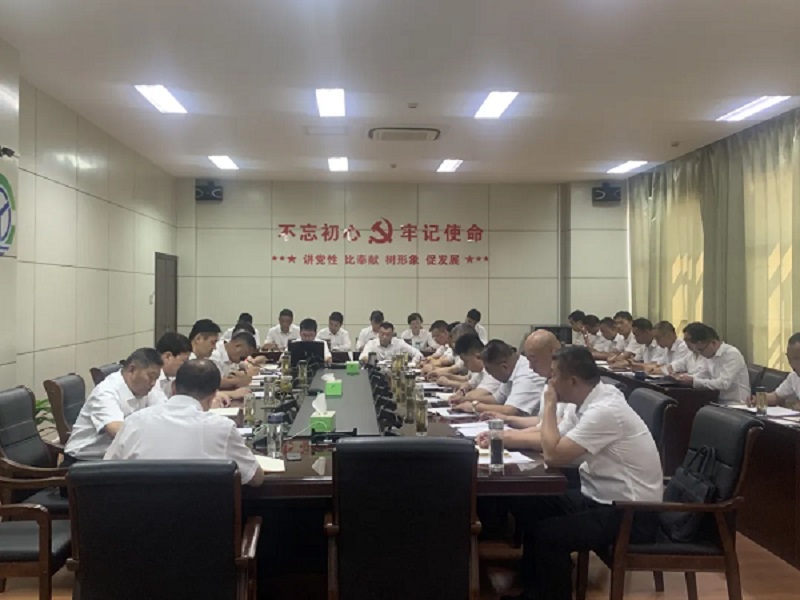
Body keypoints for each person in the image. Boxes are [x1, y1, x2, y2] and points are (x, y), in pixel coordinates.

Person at [508, 346, 662, 600]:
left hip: (629, 513)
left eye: (554, 375)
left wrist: (549, 404)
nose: (549, 382)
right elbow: (554, 437)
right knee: (530, 502)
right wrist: (503, 437)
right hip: (598, 497)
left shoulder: (605, 410)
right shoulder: (586, 401)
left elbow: (553, 454)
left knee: (549, 536)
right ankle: (533, 589)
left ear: (572, 381)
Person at [105, 359, 265, 487]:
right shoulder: (223, 428)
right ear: (213, 396)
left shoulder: (133, 422)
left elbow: (106, 471)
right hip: (201, 518)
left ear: (174, 387)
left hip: (139, 516)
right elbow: (255, 478)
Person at [63, 348, 167, 465]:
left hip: (116, 459)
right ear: (132, 370)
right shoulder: (106, 392)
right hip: (84, 462)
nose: (153, 383)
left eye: (156, 378)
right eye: (151, 377)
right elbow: (117, 431)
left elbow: (166, 414)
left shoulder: (147, 389)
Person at [475, 330, 575, 450]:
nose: (531, 367)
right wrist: (506, 423)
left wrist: (504, 438)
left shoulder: (569, 384)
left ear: (553, 353)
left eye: (534, 360)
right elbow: (543, 422)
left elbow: (559, 432)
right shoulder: (549, 381)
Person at [455, 339, 545, 416]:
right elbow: (496, 400)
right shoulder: (511, 370)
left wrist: (475, 407)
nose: (489, 374)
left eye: (490, 370)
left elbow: (511, 411)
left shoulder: (526, 375)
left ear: (503, 367)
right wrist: (465, 399)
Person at [673, 322, 750, 404]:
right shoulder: (709, 355)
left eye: (701, 350)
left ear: (713, 343)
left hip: (736, 403)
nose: (701, 354)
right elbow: (704, 374)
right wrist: (684, 378)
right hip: (717, 401)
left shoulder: (731, 354)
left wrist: (694, 381)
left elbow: (723, 384)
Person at [446, 334, 501, 404]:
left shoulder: (493, 371)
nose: (465, 365)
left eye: (466, 361)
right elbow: (468, 384)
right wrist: (462, 390)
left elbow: (475, 395)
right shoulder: (480, 372)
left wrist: (463, 397)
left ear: (478, 357)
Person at [760, 333, 800, 406]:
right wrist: (759, 399)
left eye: (796, 359)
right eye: (789, 358)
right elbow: (776, 396)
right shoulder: (793, 377)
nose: (791, 364)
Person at [359, 322, 423, 364]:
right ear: (378, 333)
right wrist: (367, 359)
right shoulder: (371, 344)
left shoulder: (399, 343)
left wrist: (411, 364)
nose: (384, 337)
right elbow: (362, 358)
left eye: (388, 334)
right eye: (382, 334)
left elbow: (419, 355)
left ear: (392, 334)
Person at [154, 331, 192, 398]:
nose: (186, 366)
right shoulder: (151, 381)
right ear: (168, 357)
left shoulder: (172, 378)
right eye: (184, 361)